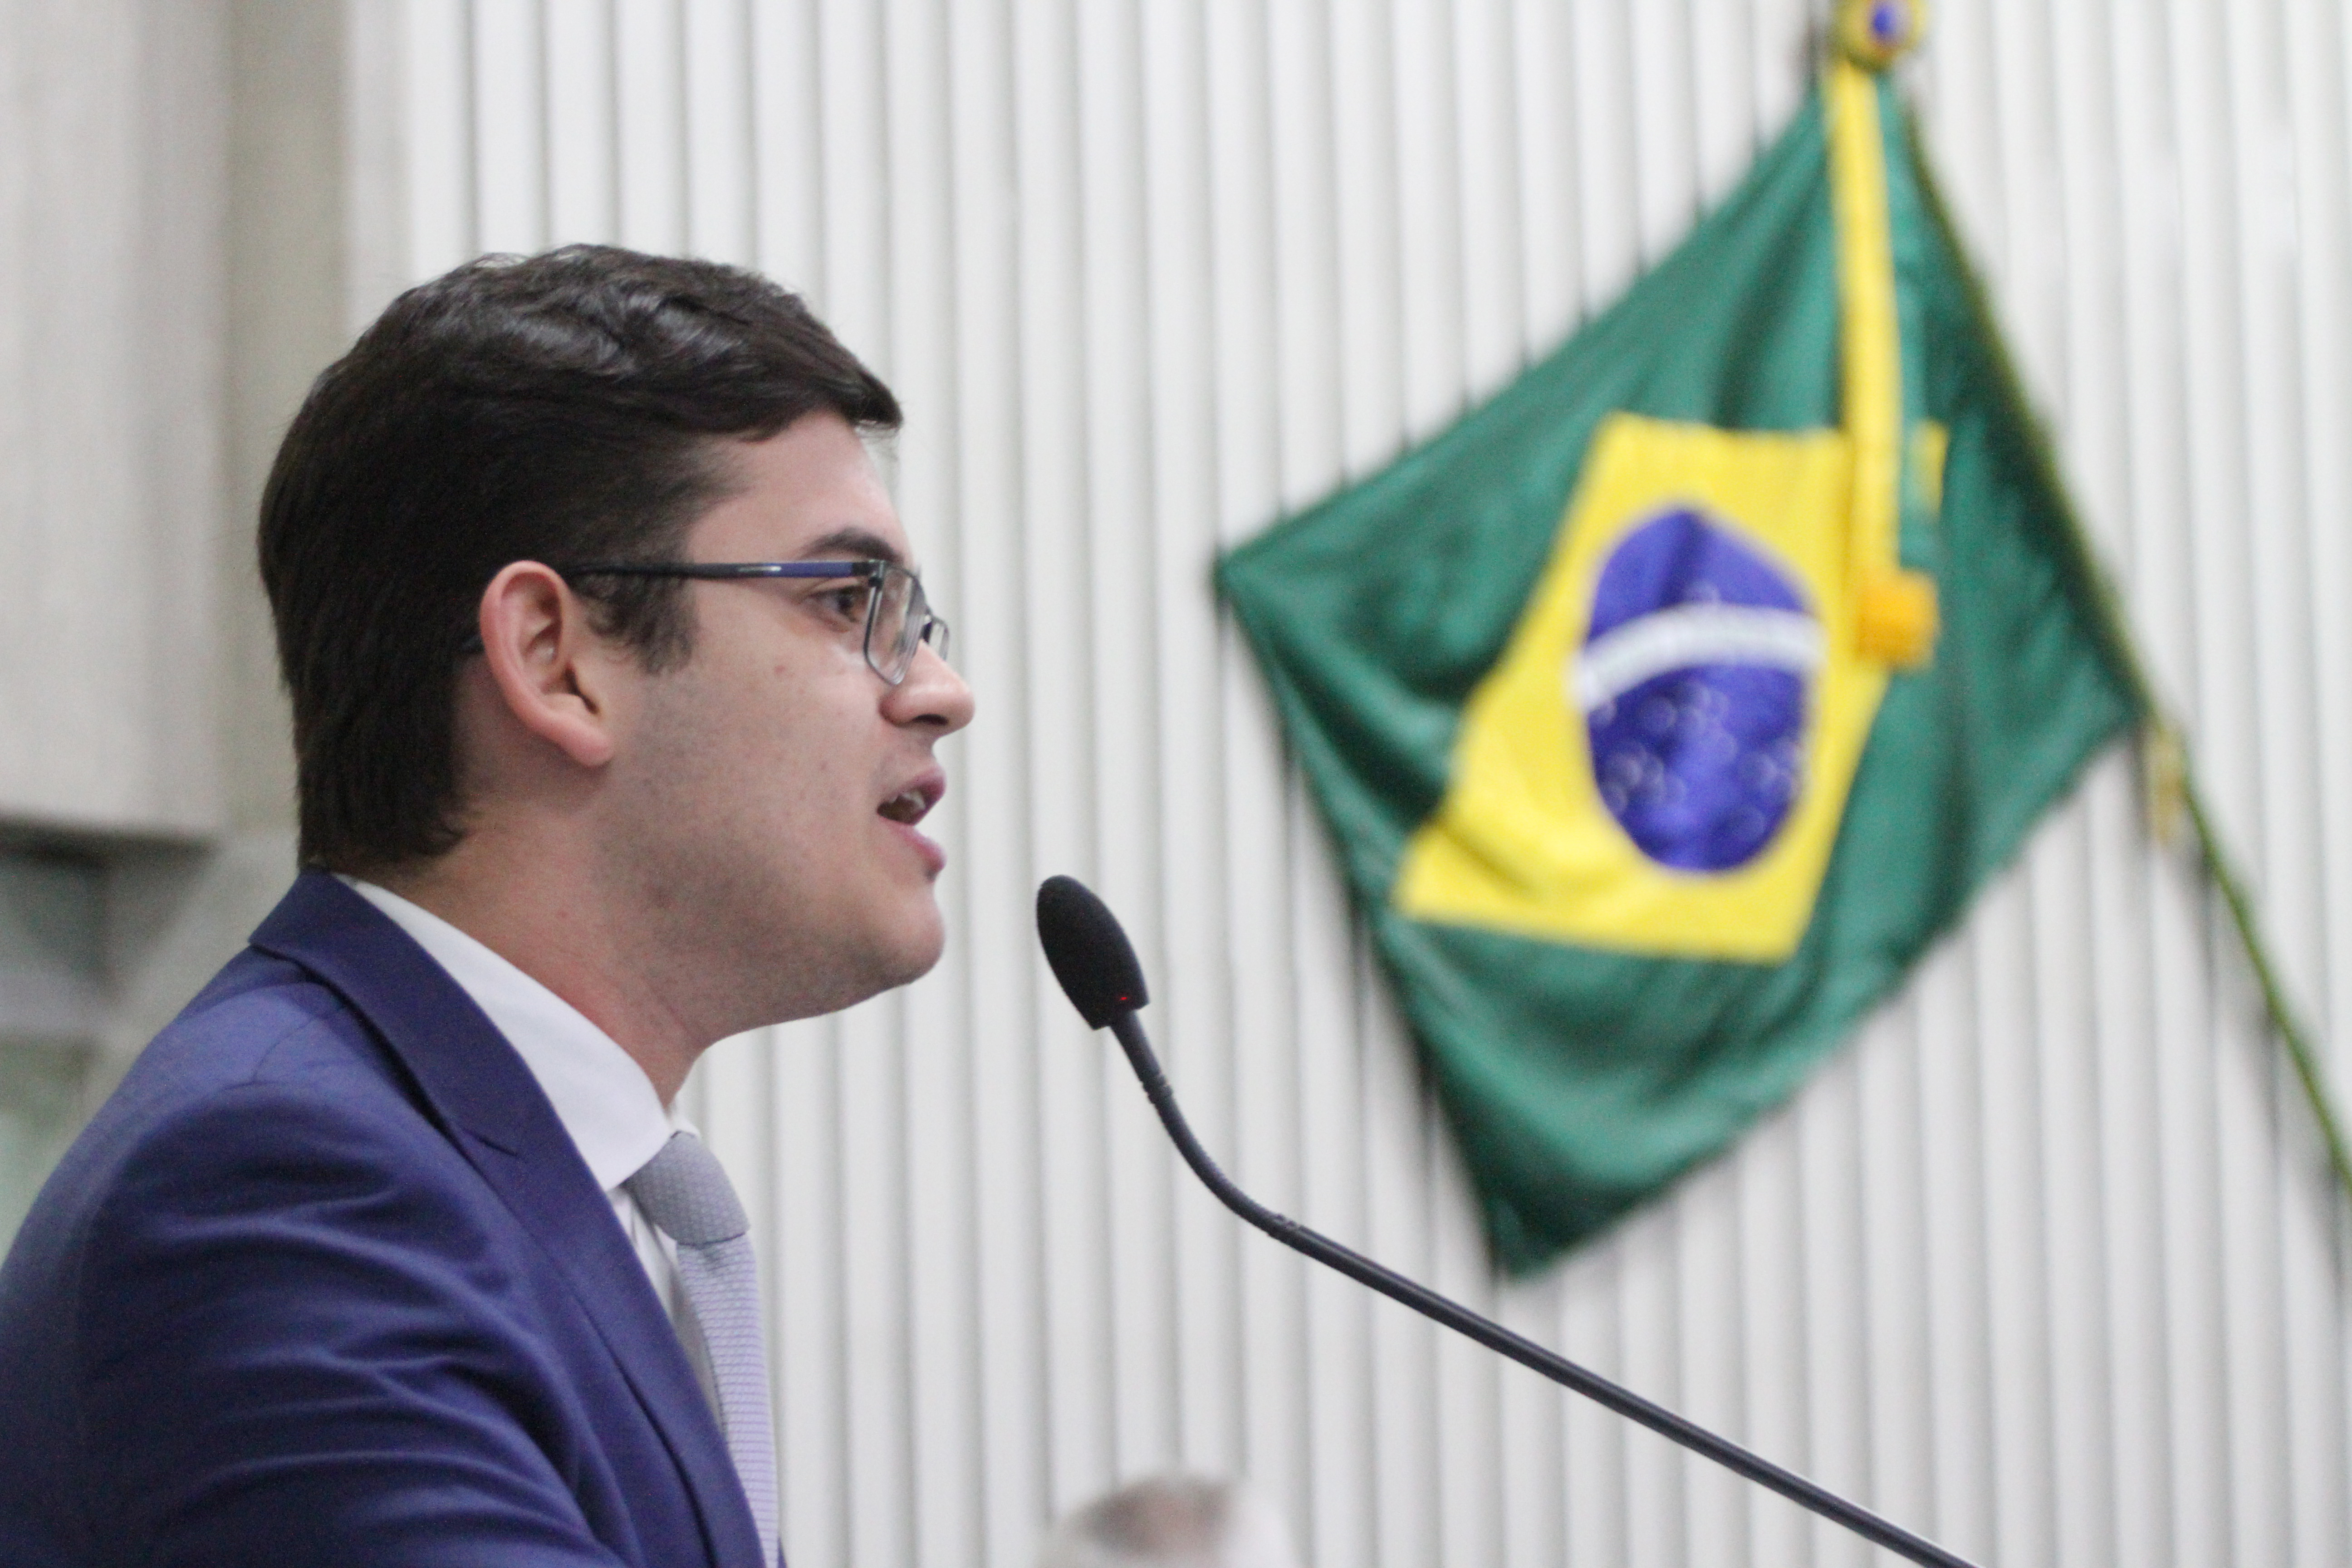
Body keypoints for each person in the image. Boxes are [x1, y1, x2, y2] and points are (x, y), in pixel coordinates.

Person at [0, 245, 973, 1567]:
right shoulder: (286, 1193)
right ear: (553, 659)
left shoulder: (483, 1172)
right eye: (849, 599)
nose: (939, 691)